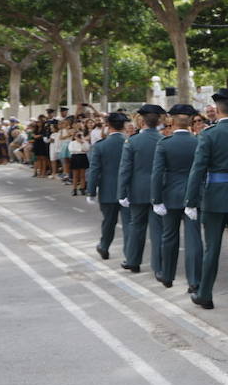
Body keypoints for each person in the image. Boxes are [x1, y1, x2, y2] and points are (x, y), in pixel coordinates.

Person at [184, 89, 228, 311]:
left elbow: (198, 169)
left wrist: (191, 201)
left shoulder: (208, 134)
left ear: (217, 110)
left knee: (211, 249)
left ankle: (205, 294)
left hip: (214, 198)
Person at [151, 104, 204, 294]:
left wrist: (156, 199)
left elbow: (157, 174)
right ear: (190, 121)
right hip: (193, 195)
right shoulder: (199, 142)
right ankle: (194, 280)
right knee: (194, 239)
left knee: (169, 236)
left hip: (170, 195)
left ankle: (167, 274)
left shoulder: (165, 143)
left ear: (172, 121)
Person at [117, 104, 166, 276]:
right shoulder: (163, 139)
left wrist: (122, 193)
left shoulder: (132, 141)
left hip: (137, 191)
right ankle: (159, 267)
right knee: (157, 230)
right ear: (158, 121)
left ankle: (133, 261)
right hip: (158, 191)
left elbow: (125, 170)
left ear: (142, 121)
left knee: (136, 226)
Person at [85, 112, 130, 260]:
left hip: (108, 190)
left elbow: (94, 170)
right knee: (129, 225)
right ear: (124, 126)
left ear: (107, 126)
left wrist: (91, 191)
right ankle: (130, 256)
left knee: (108, 222)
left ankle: (104, 246)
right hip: (128, 190)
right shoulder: (130, 142)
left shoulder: (100, 146)